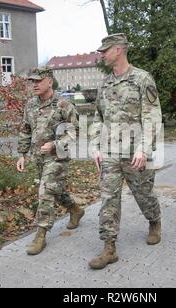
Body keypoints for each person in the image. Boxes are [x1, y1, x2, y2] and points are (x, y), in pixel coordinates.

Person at [89, 33, 163, 270]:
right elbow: (97, 117)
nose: (101, 55)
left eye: (105, 50)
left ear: (119, 50)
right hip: (110, 153)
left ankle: (154, 220)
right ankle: (109, 247)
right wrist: (94, 145)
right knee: (108, 199)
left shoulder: (142, 79)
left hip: (135, 153)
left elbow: (152, 116)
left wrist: (143, 148)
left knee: (144, 195)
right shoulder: (105, 83)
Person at [16, 67, 83, 256]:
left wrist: (54, 144)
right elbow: (25, 129)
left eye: (38, 81)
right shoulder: (30, 105)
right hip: (39, 159)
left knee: (45, 192)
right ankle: (75, 210)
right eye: (32, 81)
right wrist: (21, 154)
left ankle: (41, 235)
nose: (34, 85)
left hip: (57, 158)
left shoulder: (63, 105)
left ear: (49, 82)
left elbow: (74, 132)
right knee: (57, 192)